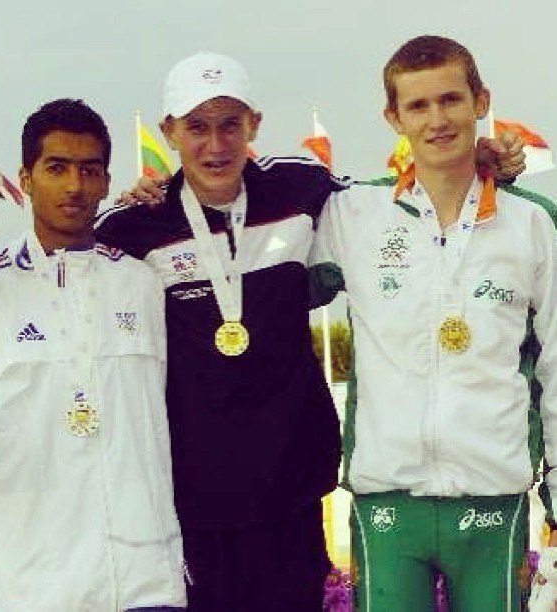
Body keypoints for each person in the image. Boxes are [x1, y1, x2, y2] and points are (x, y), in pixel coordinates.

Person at [94, 52, 526, 612]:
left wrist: (480, 162)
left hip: (291, 489)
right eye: (196, 127)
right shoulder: (134, 226)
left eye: (230, 124)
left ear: (255, 123)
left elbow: (394, 203)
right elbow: (76, 268)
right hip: (191, 498)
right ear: (169, 132)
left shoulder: (300, 189)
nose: (216, 145)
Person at [310, 35, 557, 611]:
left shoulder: (533, 225)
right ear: (393, 117)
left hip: (494, 499)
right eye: (417, 106)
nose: (437, 119)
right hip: (388, 501)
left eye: (450, 99)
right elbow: (266, 276)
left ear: (480, 101)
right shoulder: (351, 217)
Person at [0, 99, 186, 611]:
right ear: (25, 179)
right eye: (56, 168)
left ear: (105, 181)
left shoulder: (142, 285)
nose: (74, 186)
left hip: (143, 582)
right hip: (24, 585)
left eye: (88, 170)